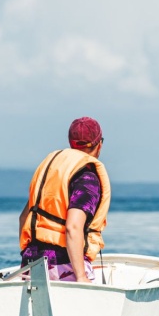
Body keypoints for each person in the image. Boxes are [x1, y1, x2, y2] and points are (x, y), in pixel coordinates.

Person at [18, 117, 111, 283]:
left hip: (31, 262)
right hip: (63, 264)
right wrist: (81, 276)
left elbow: (23, 217)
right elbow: (72, 227)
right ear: (99, 144)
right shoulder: (86, 178)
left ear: (71, 142)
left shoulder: (54, 170)